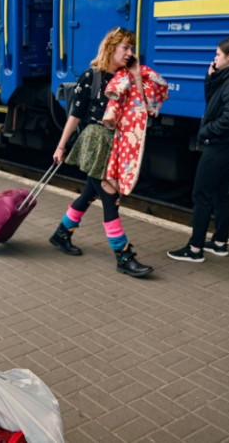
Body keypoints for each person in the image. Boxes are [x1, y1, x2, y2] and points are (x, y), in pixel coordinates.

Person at [50, 27, 153, 278]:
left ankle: (61, 234)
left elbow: (144, 105)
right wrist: (61, 146)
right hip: (95, 143)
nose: (130, 52)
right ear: (111, 49)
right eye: (125, 48)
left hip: (117, 145)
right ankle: (123, 256)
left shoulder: (126, 76)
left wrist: (137, 73)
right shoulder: (91, 76)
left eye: (132, 48)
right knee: (110, 197)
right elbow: (75, 115)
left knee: (88, 194)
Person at [167, 36, 229, 262]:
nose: (214, 58)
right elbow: (214, 103)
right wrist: (210, 79)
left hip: (219, 145)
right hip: (228, 146)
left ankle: (195, 249)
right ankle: (219, 242)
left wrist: (208, 130)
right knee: (220, 194)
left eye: (218, 54)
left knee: (200, 194)